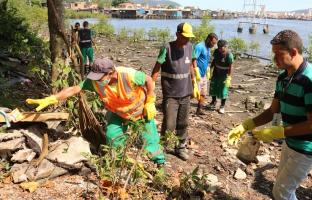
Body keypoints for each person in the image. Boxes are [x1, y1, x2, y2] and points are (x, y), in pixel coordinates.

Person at [228, 30, 312, 200]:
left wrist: (278, 132)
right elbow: (272, 110)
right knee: (285, 187)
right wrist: (246, 125)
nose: (274, 58)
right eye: (273, 53)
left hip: (310, 144)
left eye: (278, 54)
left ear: (293, 52)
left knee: (281, 192)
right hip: (292, 139)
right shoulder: (283, 77)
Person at [26, 58, 165, 165]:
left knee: (150, 140)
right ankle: (118, 162)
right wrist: (51, 99)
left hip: (141, 112)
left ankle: (159, 163)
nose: (96, 80)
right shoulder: (94, 81)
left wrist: (151, 100)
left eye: (100, 77)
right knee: (112, 135)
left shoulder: (128, 74)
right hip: (118, 113)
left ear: (111, 73)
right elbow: (74, 89)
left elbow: (149, 80)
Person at [151, 22, 200, 161]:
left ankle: (180, 147)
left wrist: (195, 81)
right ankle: (163, 147)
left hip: (185, 92)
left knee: (183, 122)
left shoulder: (190, 47)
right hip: (171, 93)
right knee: (169, 123)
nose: (187, 40)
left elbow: (191, 64)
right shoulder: (167, 48)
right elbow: (156, 68)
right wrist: (150, 88)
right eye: (185, 37)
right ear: (177, 34)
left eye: (189, 37)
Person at [194, 33, 218, 115]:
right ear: (208, 39)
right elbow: (193, 59)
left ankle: (199, 109)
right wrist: (195, 70)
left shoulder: (208, 48)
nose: (213, 45)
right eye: (213, 43)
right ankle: (179, 104)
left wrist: (208, 69)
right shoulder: (199, 46)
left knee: (203, 93)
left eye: (215, 44)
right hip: (197, 74)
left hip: (203, 74)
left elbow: (205, 59)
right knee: (194, 93)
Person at [208, 39, 234, 114]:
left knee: (223, 90)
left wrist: (229, 77)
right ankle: (213, 102)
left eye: (222, 49)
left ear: (226, 47)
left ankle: (222, 106)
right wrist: (210, 69)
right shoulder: (216, 52)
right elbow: (214, 60)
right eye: (219, 48)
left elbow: (231, 66)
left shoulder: (229, 55)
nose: (221, 50)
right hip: (216, 73)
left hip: (224, 75)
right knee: (213, 88)